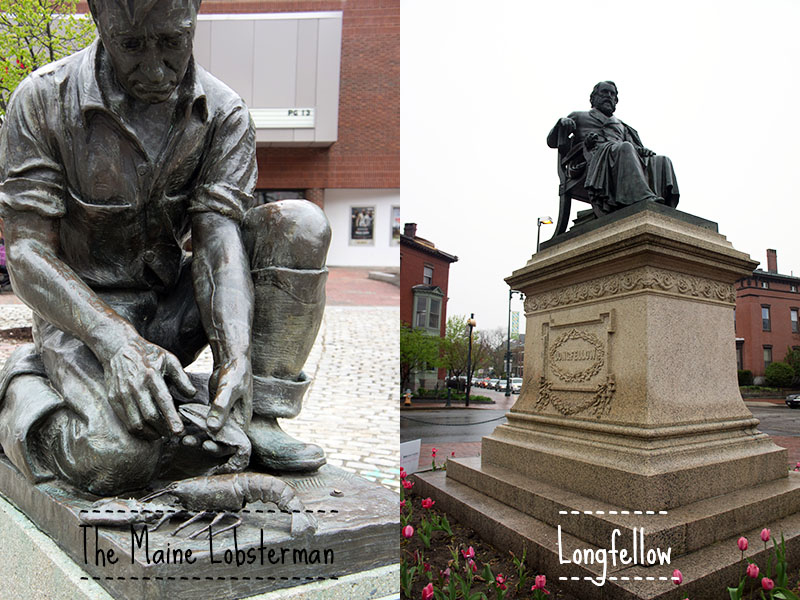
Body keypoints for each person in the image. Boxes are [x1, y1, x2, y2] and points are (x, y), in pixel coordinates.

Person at [0, 0, 330, 494]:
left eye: (172, 41)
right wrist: (115, 342)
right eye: (132, 44)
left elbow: (218, 239)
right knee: (115, 460)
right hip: (84, 320)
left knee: (300, 224)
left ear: (194, 17)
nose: (154, 67)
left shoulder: (224, 112)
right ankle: (23, 391)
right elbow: (26, 252)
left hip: (173, 305)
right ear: (98, 18)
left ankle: (255, 412)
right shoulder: (42, 100)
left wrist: (236, 353)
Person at [547, 81, 679, 215]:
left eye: (612, 94)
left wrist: (642, 151)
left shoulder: (622, 126)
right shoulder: (579, 116)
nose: (609, 96)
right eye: (604, 92)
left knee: (662, 160)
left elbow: (634, 149)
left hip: (619, 160)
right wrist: (561, 124)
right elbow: (551, 142)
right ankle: (644, 198)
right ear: (593, 98)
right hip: (590, 160)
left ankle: (664, 209)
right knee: (624, 148)